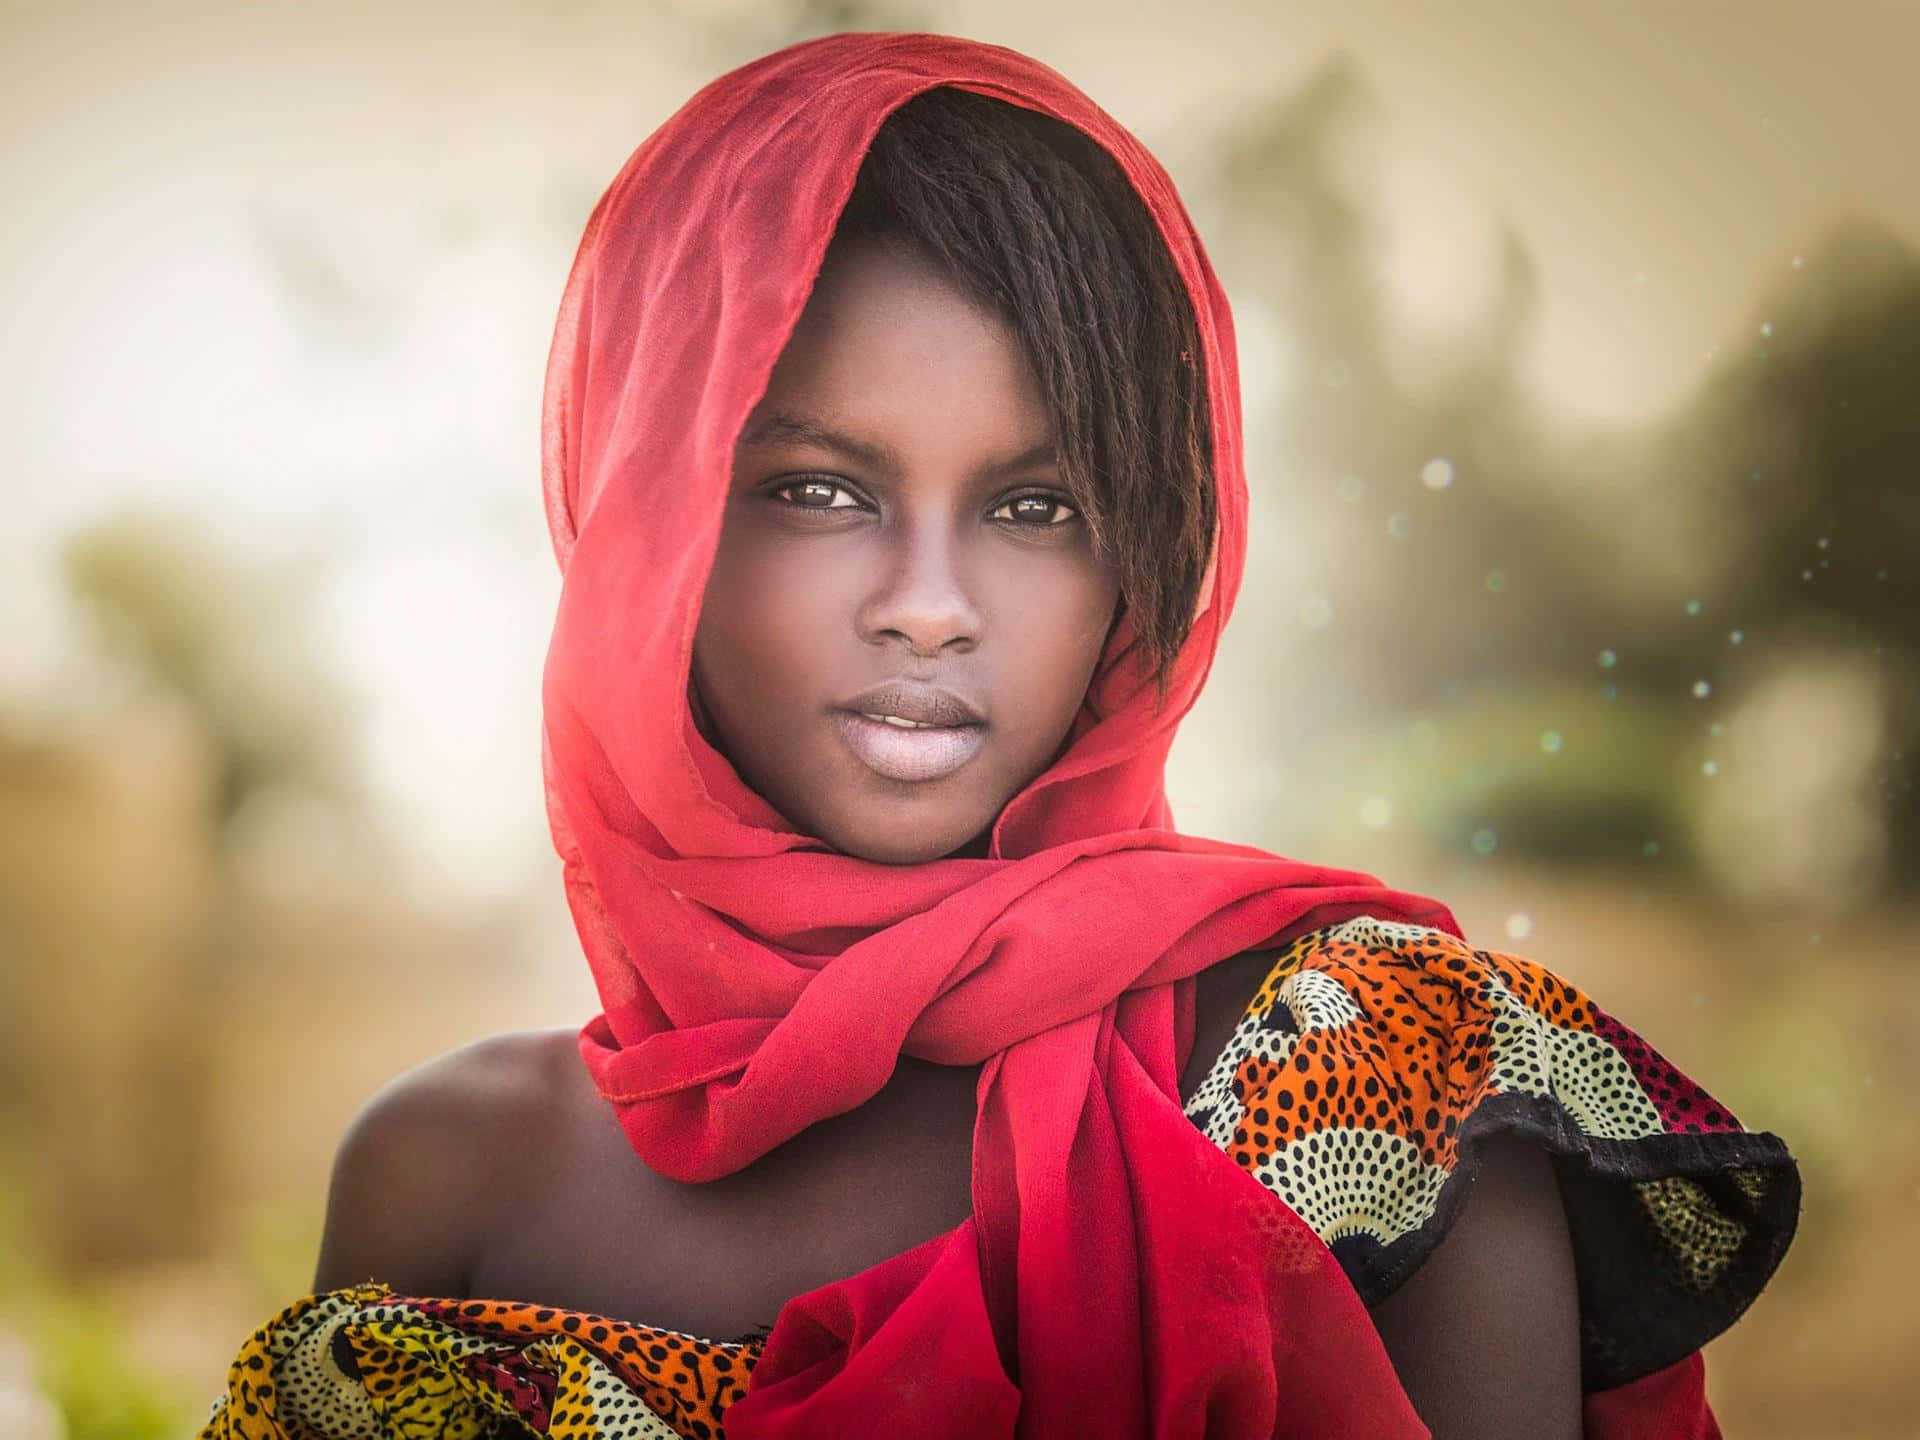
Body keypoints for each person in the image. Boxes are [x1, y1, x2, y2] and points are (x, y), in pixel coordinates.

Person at [201, 32, 1798, 1440]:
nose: (929, 606)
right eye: (820, 489)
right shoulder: (447, 1179)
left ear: (1147, 568)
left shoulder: (1382, 1075)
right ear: (643, 525)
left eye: (1038, 507)